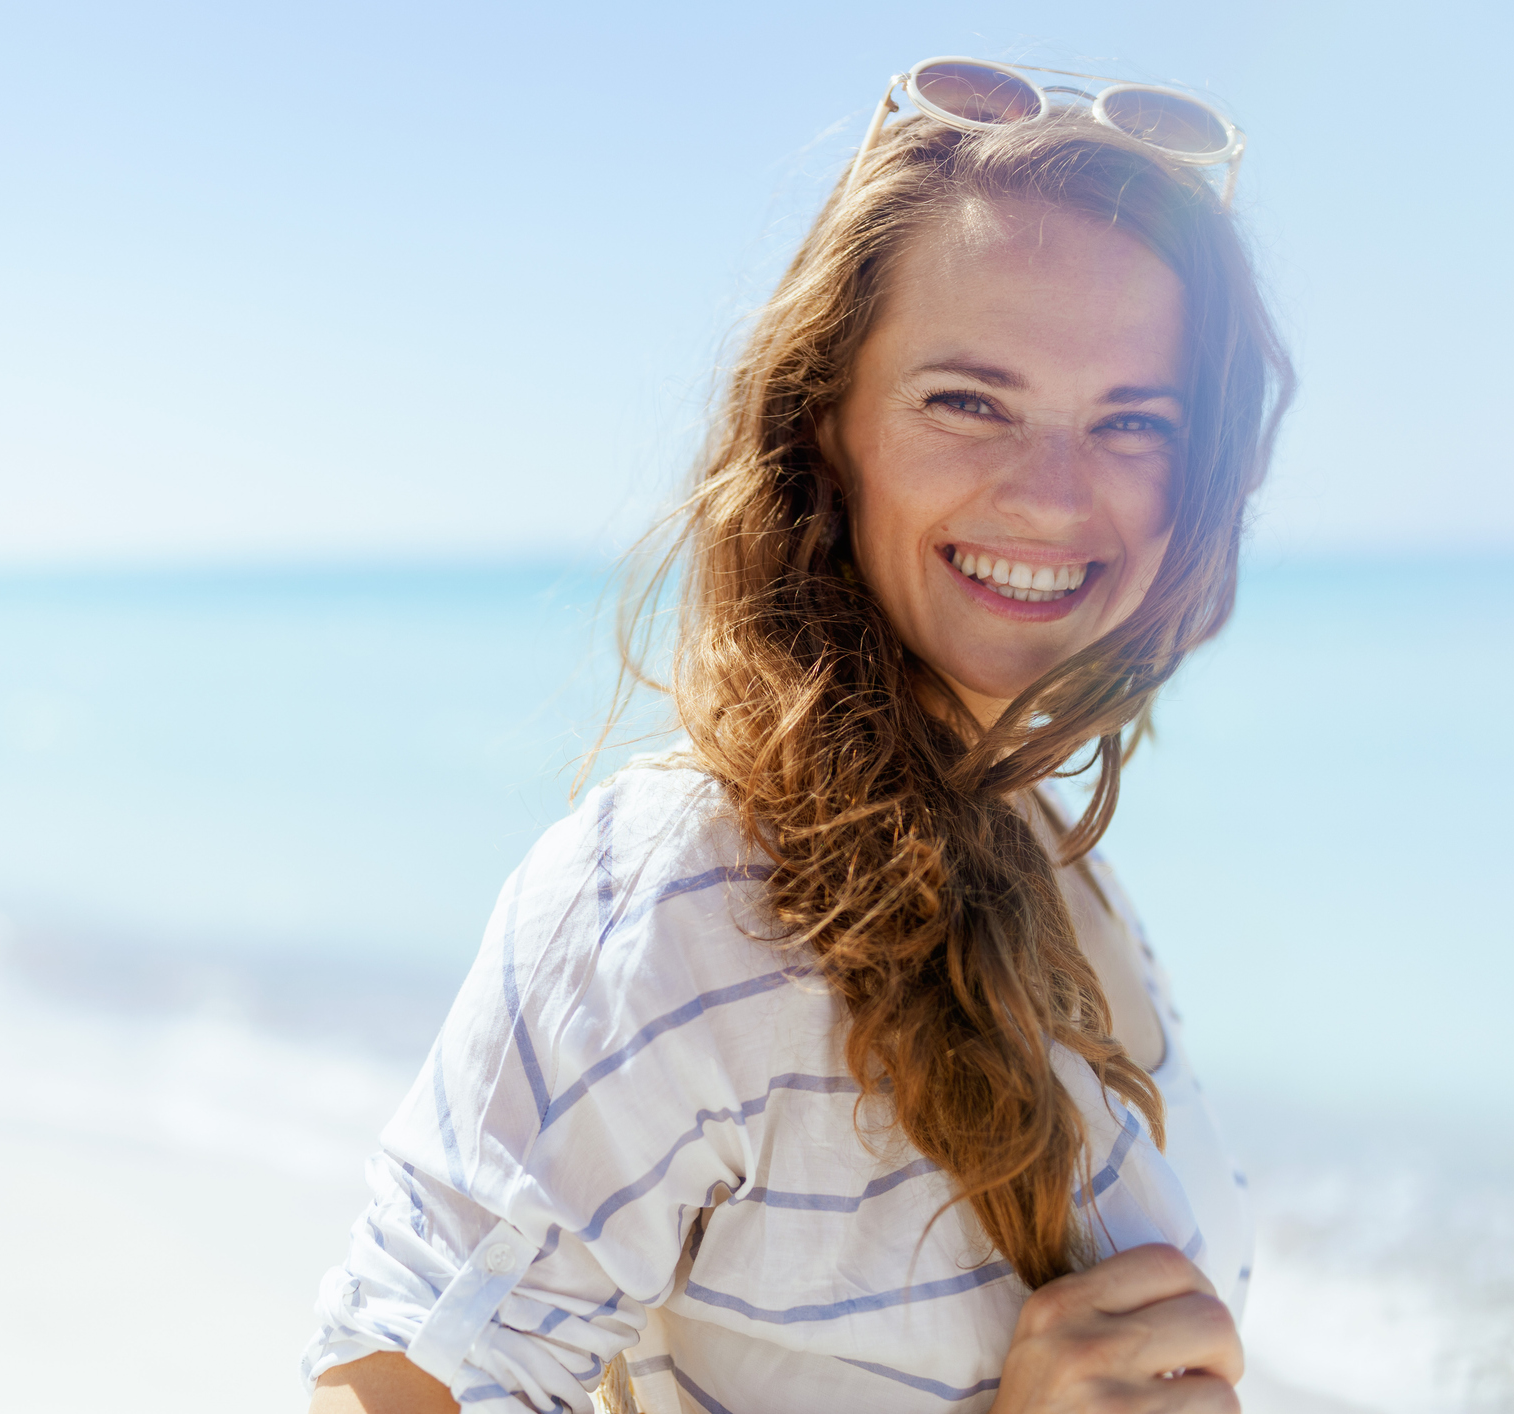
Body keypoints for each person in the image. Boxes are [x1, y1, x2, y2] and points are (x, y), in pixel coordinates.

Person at [304, 57, 1291, 1414]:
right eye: (968, 401)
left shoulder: (1049, 861)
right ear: (824, 421)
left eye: (1131, 421)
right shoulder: (684, 883)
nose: (1054, 494)